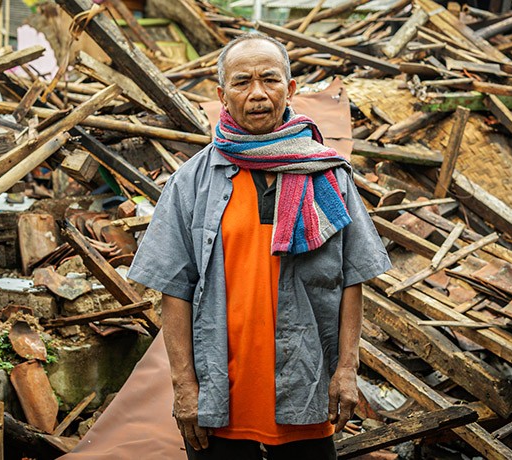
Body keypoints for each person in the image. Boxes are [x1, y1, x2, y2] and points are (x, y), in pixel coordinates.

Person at [128, 32, 391, 460]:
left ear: (290, 88)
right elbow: (174, 289)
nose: (257, 93)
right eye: (241, 82)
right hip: (219, 394)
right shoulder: (191, 182)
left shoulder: (327, 175)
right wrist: (184, 385)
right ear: (222, 95)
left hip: (304, 387)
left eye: (269, 79)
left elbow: (351, 278)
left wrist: (347, 368)